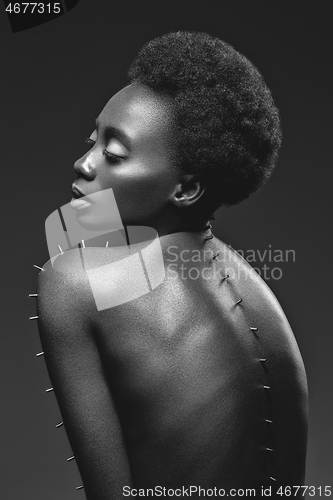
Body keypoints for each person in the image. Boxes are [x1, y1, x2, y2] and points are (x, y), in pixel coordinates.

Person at [36, 32, 308, 499]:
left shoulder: (78, 282)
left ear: (184, 190)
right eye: (92, 141)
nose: (83, 164)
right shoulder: (262, 298)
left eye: (114, 155)